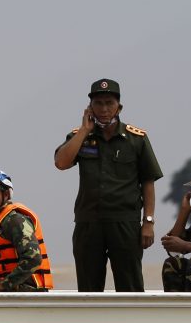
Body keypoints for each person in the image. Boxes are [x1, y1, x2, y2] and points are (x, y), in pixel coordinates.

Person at [54, 79, 163, 291]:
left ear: (119, 107)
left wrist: (148, 222)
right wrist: (84, 131)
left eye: (109, 103)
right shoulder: (78, 137)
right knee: (88, 287)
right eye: (98, 103)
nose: (104, 109)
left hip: (125, 222)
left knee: (130, 286)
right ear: (90, 107)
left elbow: (148, 181)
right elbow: (61, 163)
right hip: (88, 222)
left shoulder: (135, 138)